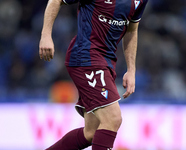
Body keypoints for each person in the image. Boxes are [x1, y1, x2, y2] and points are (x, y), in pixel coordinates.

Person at [39, 0, 148, 149]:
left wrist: (131, 70)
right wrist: (46, 35)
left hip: (106, 62)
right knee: (113, 118)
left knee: (91, 132)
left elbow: (131, 29)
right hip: (86, 56)